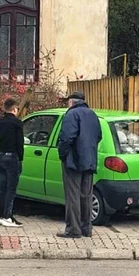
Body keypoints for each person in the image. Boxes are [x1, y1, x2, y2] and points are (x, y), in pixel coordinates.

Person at [57, 91, 102, 238]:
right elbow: (98, 136)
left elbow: (66, 138)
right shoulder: (93, 115)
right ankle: (86, 228)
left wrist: (63, 154)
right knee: (86, 195)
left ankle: (73, 229)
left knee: (73, 196)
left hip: (73, 160)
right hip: (89, 160)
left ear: (72, 102)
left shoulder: (71, 115)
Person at [0, 98, 24, 228]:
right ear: (14, 109)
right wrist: (20, 158)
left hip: (0, 156)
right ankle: (7, 216)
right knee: (11, 189)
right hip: (12, 157)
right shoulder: (17, 123)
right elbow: (20, 143)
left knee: (3, 188)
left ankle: (3, 216)